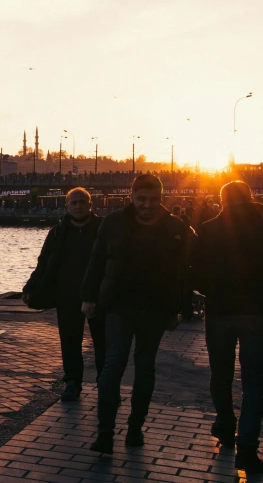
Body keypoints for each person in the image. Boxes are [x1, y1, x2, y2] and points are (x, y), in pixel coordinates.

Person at [81, 174, 193, 455]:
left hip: (155, 308)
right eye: (141, 199)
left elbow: (182, 273)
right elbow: (96, 260)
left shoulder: (174, 227)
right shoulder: (113, 223)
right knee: (112, 367)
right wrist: (88, 297)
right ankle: (105, 433)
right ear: (132, 197)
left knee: (145, 367)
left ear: (161, 198)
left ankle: (135, 428)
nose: (147, 205)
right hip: (118, 305)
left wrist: (177, 309)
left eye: (153, 200)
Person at [192, 181, 263, 472]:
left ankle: (224, 424)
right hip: (257, 313)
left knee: (220, 375)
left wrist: (212, 291)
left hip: (219, 312)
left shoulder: (207, 230)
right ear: (250, 197)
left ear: (222, 202)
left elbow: (193, 272)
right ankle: (247, 448)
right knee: (255, 382)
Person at [22, 188, 105, 402]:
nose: (78, 206)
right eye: (74, 203)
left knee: (103, 342)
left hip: (98, 294)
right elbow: (43, 263)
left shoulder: (103, 230)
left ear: (90, 205)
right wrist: (30, 287)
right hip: (67, 294)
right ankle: (72, 383)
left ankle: (105, 383)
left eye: (82, 202)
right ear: (67, 206)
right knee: (70, 340)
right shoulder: (58, 233)